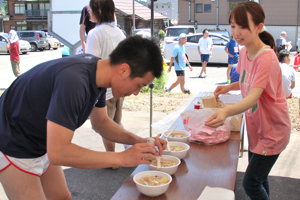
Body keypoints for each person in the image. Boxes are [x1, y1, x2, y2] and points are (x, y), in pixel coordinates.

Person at [0, 36, 167, 199]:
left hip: (40, 140)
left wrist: (141, 141)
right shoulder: (74, 81)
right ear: (123, 69)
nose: (136, 93)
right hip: (12, 140)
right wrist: (122, 158)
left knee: (61, 197)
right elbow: (58, 152)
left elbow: (101, 123)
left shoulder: (99, 75)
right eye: (139, 85)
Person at [205, 2, 291, 200]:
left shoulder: (266, 57)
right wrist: (228, 87)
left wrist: (226, 112)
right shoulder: (244, 51)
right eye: (233, 25)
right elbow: (245, 82)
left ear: (259, 27)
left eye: (243, 26)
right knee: (259, 178)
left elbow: (253, 96)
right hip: (257, 127)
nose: (236, 32)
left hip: (273, 131)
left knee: (250, 183)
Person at [86, 0, 126, 156]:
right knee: (116, 122)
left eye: (91, 9)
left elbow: (91, 64)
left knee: (106, 126)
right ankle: (129, 148)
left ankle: (112, 158)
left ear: (99, 11)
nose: (89, 12)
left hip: (104, 89)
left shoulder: (95, 33)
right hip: (120, 88)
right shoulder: (120, 32)